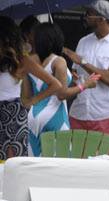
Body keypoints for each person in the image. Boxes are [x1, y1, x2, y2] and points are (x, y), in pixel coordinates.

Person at [63, 0, 109, 160]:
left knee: (108, 166)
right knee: (77, 166)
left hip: (108, 115)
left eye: (89, 14)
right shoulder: (83, 41)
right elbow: (76, 73)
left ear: (102, 18)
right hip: (79, 113)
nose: (85, 17)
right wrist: (73, 76)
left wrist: (83, 62)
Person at [23, 23, 98, 156]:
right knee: (59, 161)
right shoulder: (58, 61)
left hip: (33, 116)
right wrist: (85, 85)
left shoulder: (28, 61)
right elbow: (61, 95)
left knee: (34, 159)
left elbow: (27, 95)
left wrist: (72, 83)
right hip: (55, 115)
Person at [0, 16, 61, 160]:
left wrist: (33, 100)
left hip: (13, 113)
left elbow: (55, 84)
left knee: (11, 161)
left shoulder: (22, 60)